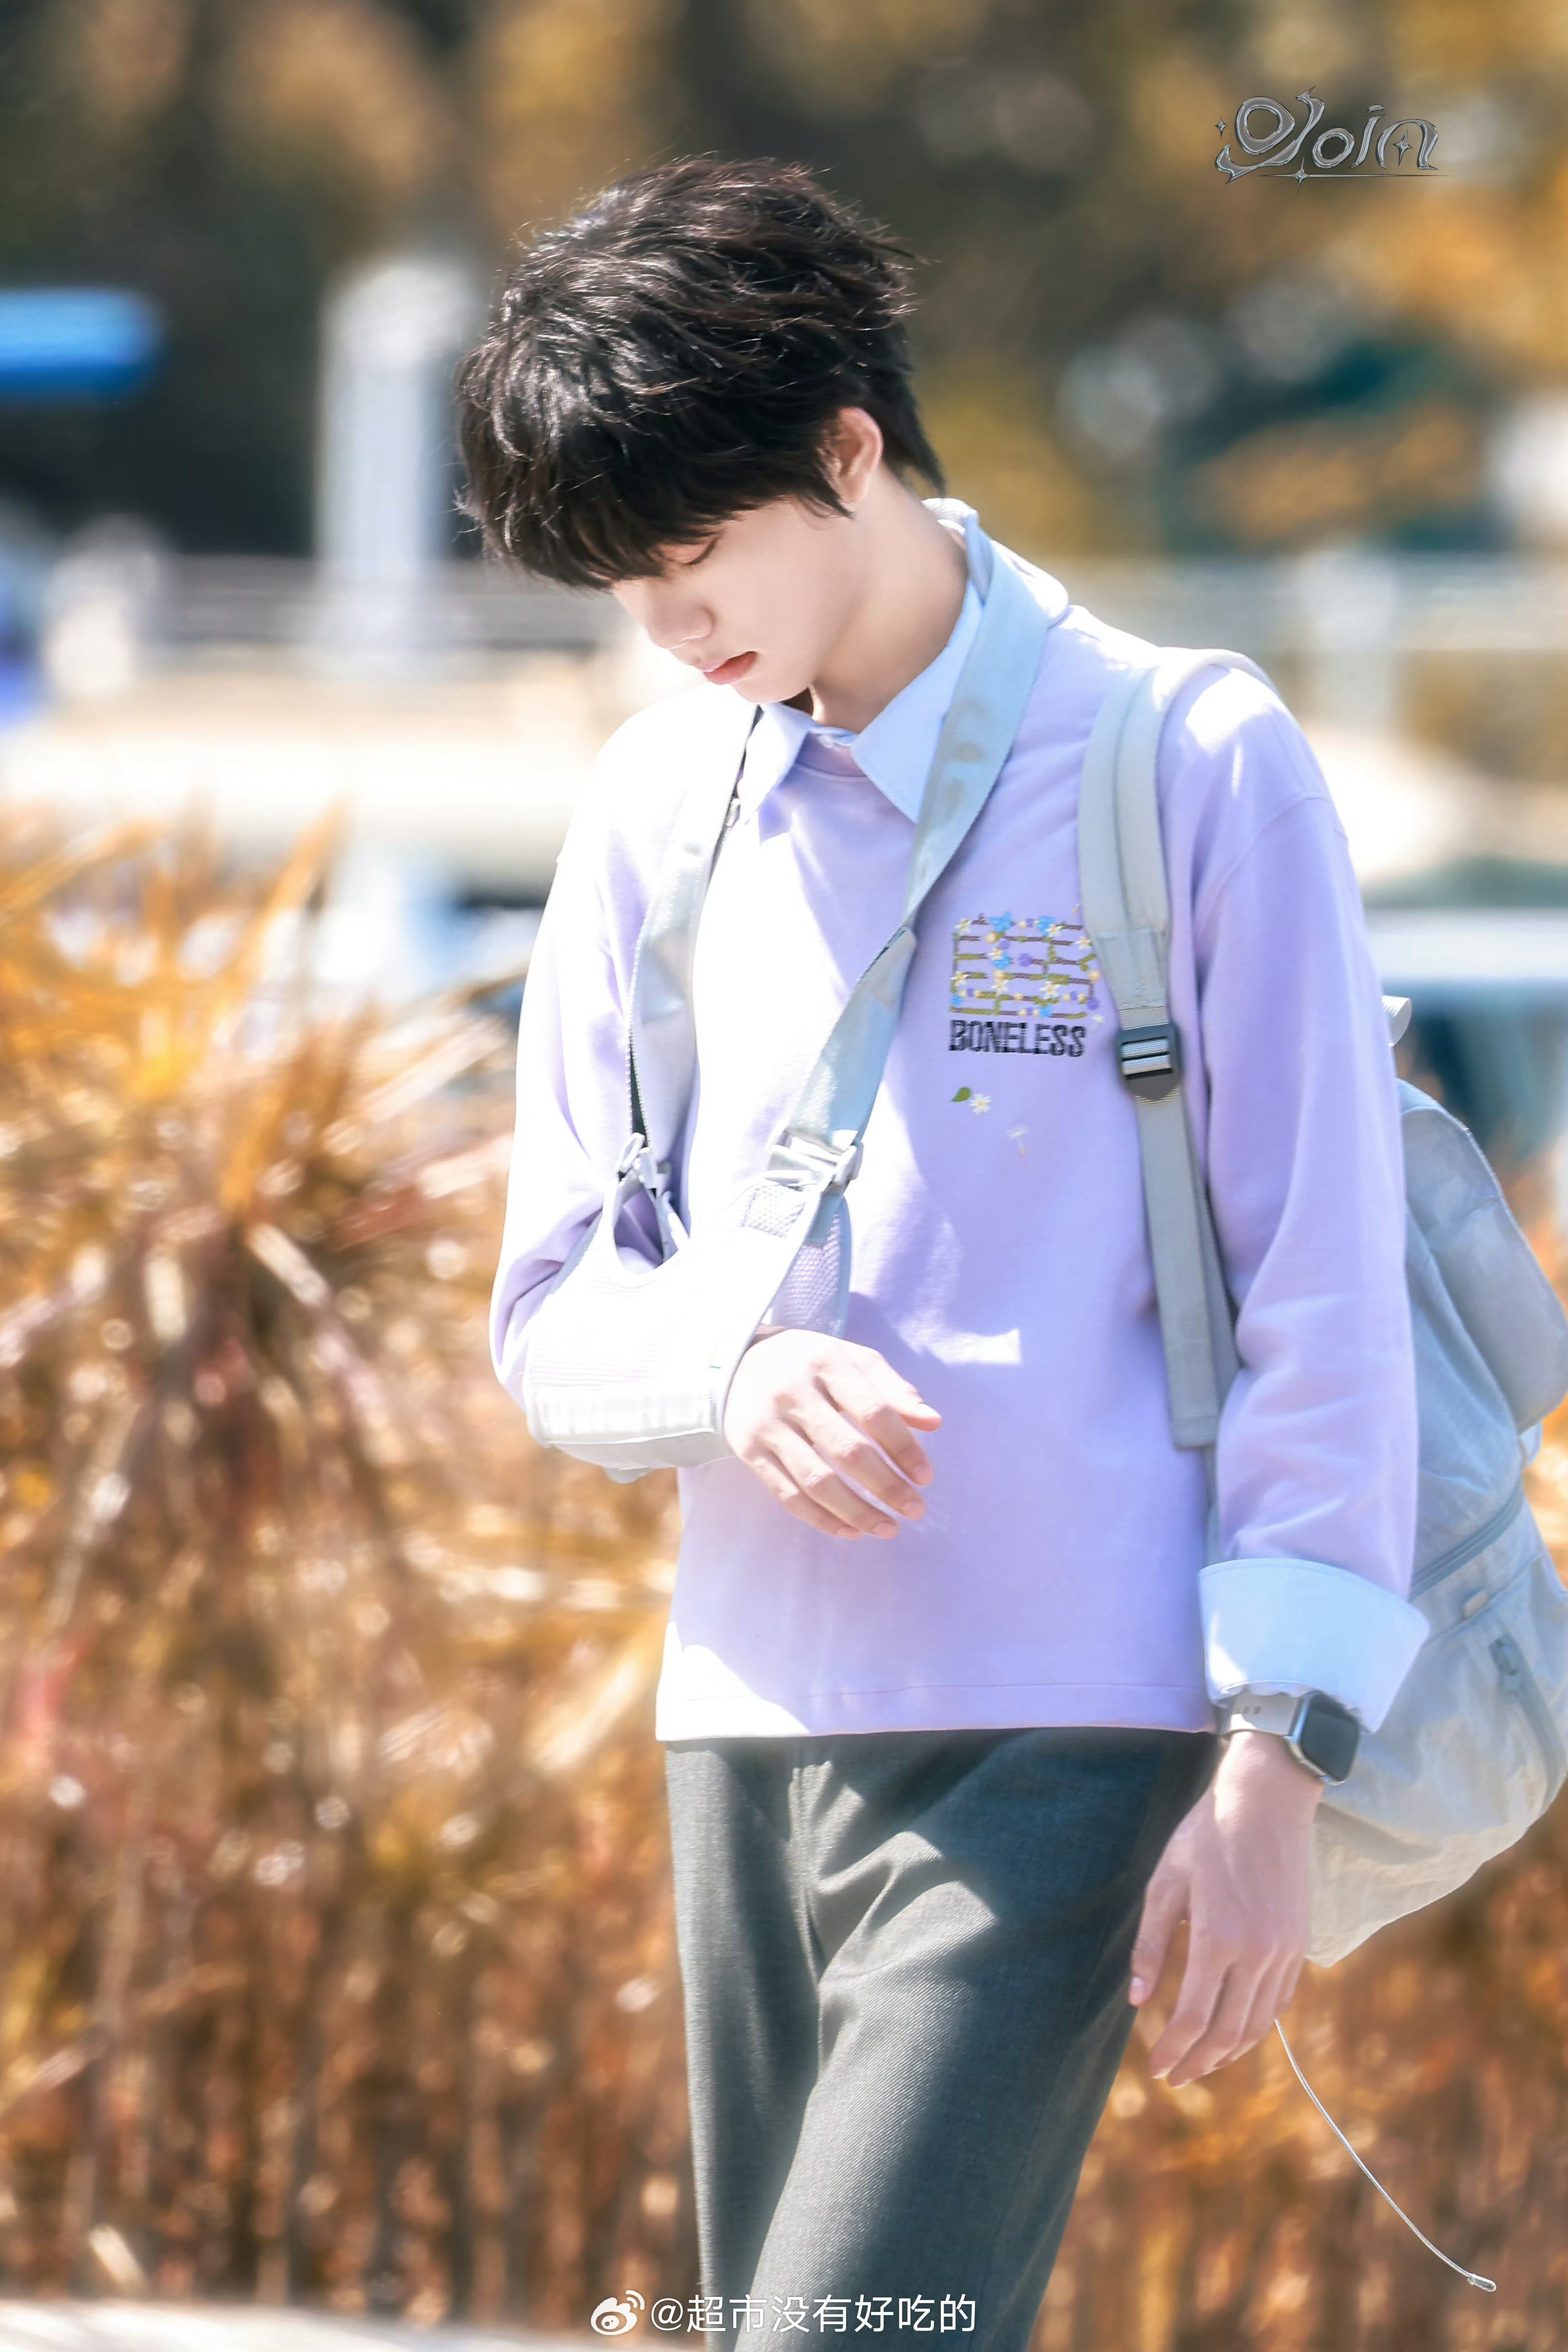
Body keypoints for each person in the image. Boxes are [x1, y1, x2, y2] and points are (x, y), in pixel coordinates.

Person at [457, 156, 1423, 2351]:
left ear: (846, 449)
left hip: (1071, 1718)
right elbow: (548, 1311)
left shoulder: (1183, 754)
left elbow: (1321, 1284)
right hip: (743, 1719)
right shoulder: (653, 809)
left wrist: (1276, 1760)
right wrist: (725, 1371)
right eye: (620, 579)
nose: (666, 623)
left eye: (688, 552)